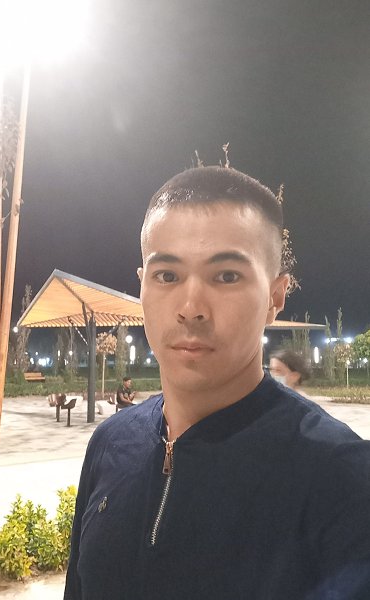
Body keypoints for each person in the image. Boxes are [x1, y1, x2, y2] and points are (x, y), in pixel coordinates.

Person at [64, 166, 370, 600]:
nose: (191, 307)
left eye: (226, 276)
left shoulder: (341, 479)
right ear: (142, 286)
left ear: (275, 297)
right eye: (167, 275)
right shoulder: (109, 444)